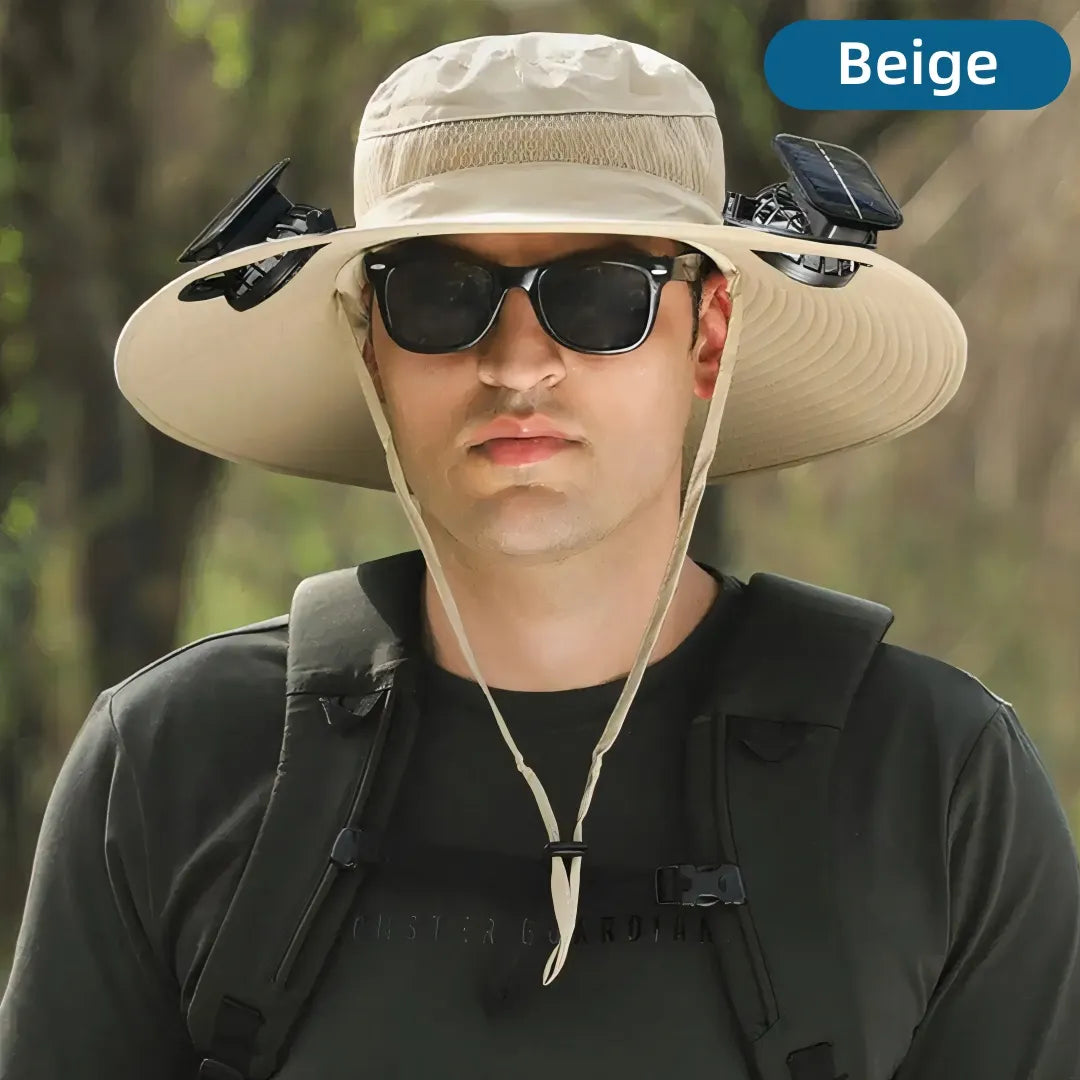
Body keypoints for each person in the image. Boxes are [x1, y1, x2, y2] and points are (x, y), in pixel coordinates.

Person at [2, 30, 1079, 1080]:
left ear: (708, 336)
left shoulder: (933, 779)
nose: (518, 363)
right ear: (369, 342)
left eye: (600, 295)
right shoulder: (172, 763)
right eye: (439, 295)